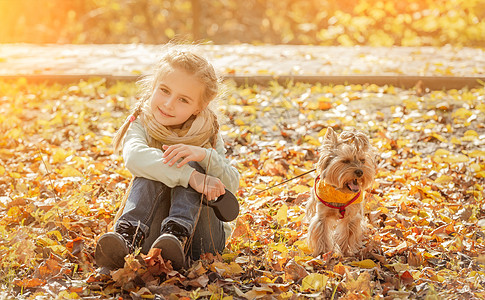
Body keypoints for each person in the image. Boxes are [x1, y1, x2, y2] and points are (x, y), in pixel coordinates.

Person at [95, 45, 240, 271]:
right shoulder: (142, 123)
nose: (168, 104)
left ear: (198, 107)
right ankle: (127, 236)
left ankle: (177, 235)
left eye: (183, 100)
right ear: (153, 86)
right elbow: (134, 157)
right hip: (150, 235)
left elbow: (232, 184)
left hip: (203, 241)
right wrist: (189, 176)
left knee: (187, 158)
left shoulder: (207, 132)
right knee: (152, 166)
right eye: (164, 90)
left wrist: (204, 156)